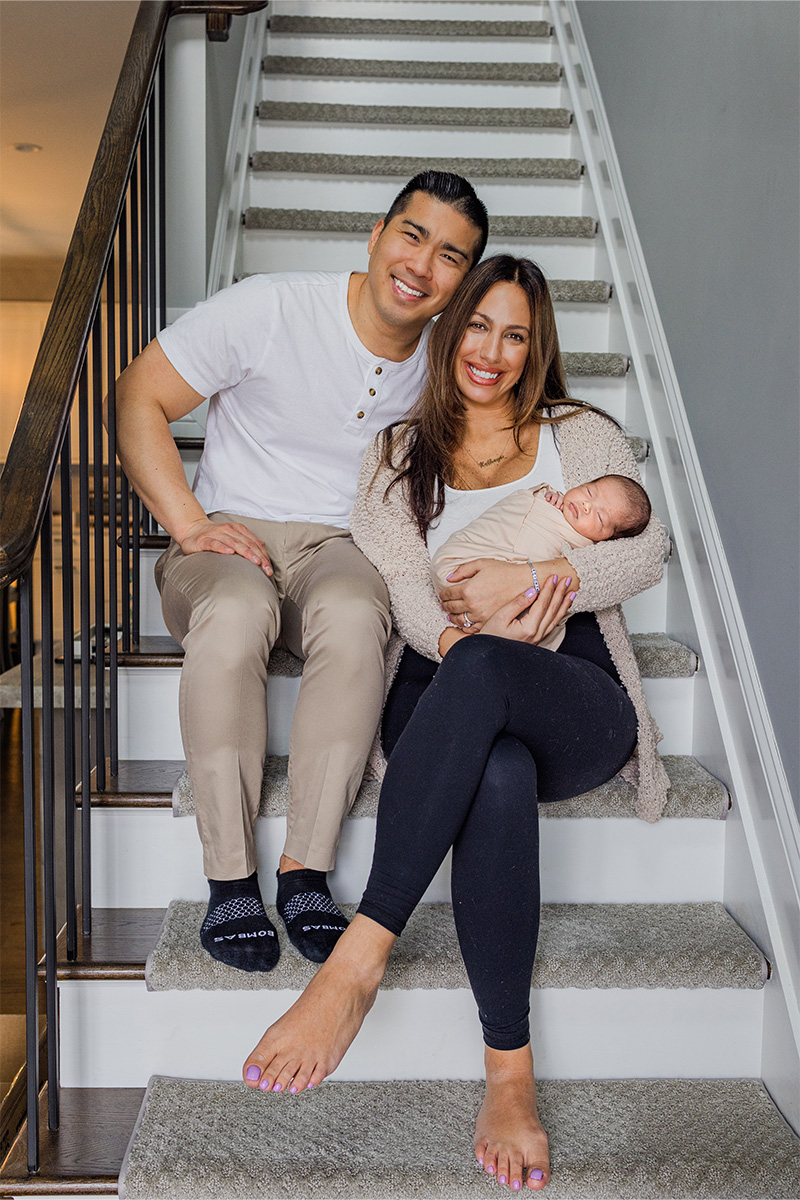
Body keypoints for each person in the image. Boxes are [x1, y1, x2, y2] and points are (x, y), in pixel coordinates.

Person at [241, 254, 670, 1191]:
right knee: (495, 762)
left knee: (494, 685)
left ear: (536, 346)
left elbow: (647, 552)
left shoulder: (581, 432)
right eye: (478, 326)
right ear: (450, 330)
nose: (493, 351)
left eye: (516, 334)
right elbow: (399, 579)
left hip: (575, 693)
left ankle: (360, 959)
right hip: (447, 675)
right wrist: (454, 628)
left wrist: (536, 583)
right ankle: (508, 1067)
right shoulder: (400, 449)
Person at [113, 171, 489, 972]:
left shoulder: (449, 364)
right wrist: (190, 523)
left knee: (359, 614)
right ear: (377, 235)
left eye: (451, 256)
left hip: (338, 547)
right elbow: (138, 394)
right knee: (239, 614)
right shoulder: (273, 306)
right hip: (226, 536)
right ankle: (229, 877)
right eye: (412, 236)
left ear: (463, 282)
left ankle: (306, 870)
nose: (422, 265)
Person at [430, 475, 651, 651]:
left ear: (608, 541)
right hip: (459, 568)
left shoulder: (590, 552)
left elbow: (642, 556)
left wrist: (528, 577)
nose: (586, 505)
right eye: (589, 492)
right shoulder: (548, 500)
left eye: (600, 517)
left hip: (514, 636)